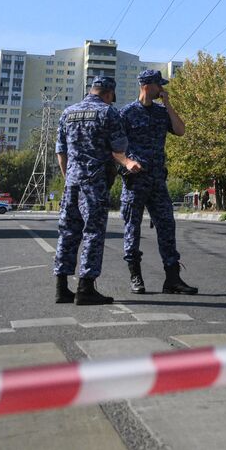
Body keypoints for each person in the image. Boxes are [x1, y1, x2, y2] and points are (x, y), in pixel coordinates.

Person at [54, 75, 141, 306]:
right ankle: (85, 288)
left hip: (72, 182)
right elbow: (119, 149)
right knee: (93, 232)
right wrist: (127, 163)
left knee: (68, 233)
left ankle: (61, 289)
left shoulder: (68, 112)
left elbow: (61, 153)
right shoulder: (108, 113)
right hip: (95, 183)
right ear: (109, 94)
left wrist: (69, 177)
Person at [120, 69, 198, 295]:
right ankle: (136, 276)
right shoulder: (126, 113)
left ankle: (172, 279)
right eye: (159, 86)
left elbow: (181, 131)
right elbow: (114, 147)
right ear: (147, 85)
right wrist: (126, 164)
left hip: (157, 181)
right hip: (134, 182)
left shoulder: (161, 113)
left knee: (167, 226)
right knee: (132, 229)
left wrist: (168, 105)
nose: (162, 89)